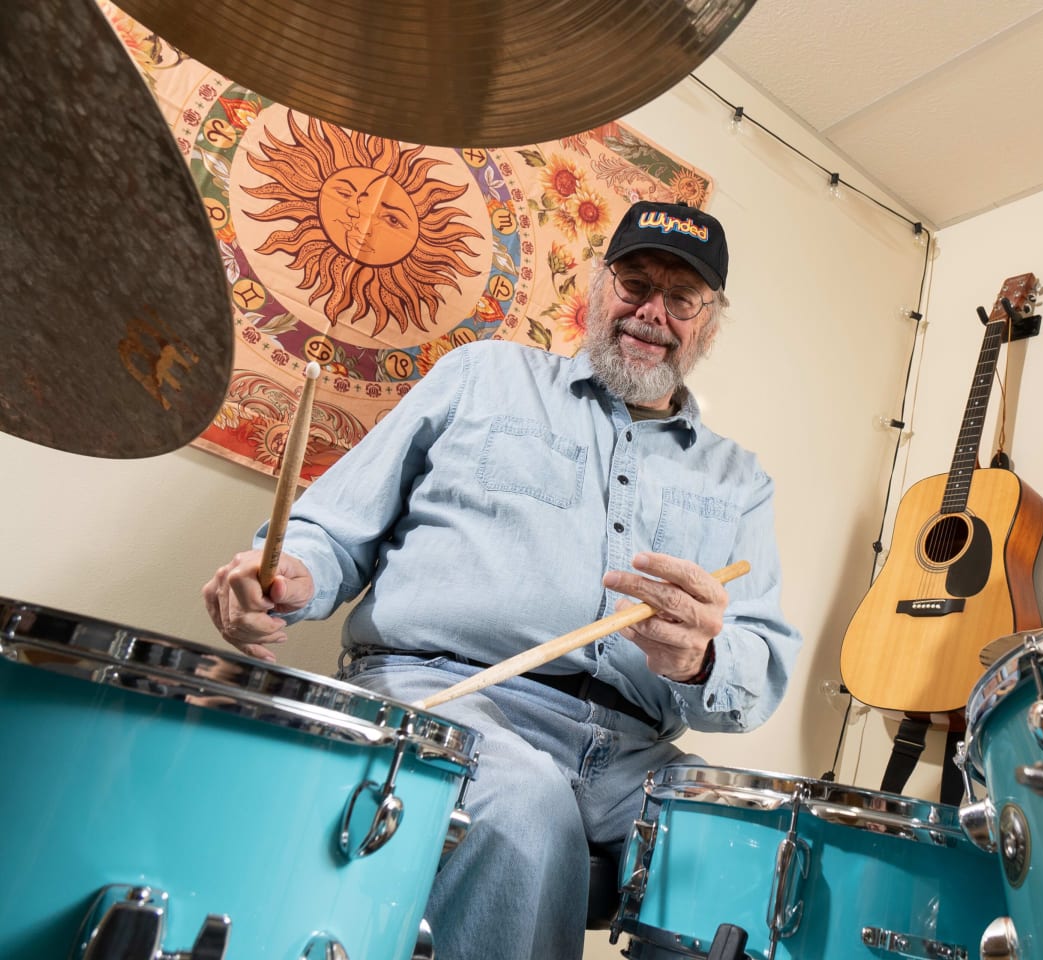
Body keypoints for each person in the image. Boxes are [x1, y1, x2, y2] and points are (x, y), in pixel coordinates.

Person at [202, 200, 801, 959]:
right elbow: (329, 532)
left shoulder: (739, 481)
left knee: (750, 842)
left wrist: (703, 658)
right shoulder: (484, 374)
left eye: (680, 299)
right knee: (525, 808)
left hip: (633, 750)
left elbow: (761, 667)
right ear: (594, 285)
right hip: (450, 694)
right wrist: (285, 576)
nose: (652, 313)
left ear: (709, 322)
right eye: (635, 283)